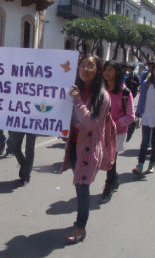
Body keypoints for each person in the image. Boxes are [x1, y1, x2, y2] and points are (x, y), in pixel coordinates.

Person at [60, 55, 111, 244]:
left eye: (90, 66)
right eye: (82, 65)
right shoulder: (76, 89)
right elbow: (69, 116)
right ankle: (80, 222)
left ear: (98, 70)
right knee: (80, 186)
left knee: (82, 188)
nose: (85, 69)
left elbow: (90, 123)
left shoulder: (102, 96)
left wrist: (76, 100)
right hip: (73, 146)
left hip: (88, 150)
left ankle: (80, 227)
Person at [100, 61, 135, 204]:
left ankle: (108, 187)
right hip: (101, 131)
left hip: (117, 132)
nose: (107, 72)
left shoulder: (126, 93)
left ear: (118, 73)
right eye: (105, 69)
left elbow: (130, 116)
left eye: (110, 70)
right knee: (109, 159)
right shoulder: (101, 89)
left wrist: (115, 124)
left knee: (110, 159)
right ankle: (114, 181)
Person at [132, 63, 155, 175]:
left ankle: (151, 165)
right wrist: (138, 113)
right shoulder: (147, 83)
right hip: (147, 116)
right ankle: (140, 165)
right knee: (144, 142)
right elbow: (141, 99)